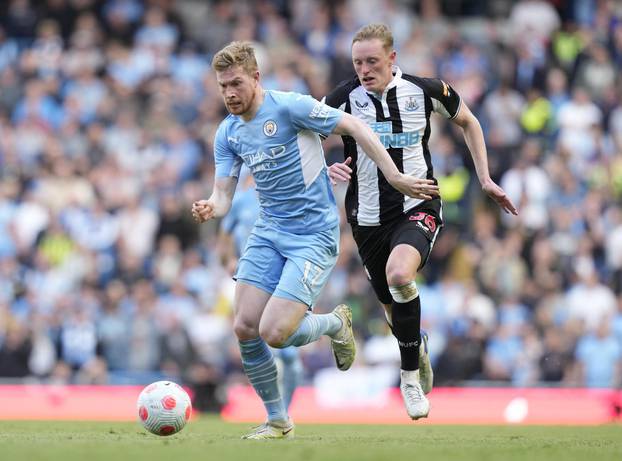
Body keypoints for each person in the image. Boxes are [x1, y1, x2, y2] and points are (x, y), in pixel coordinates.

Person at [192, 40, 438, 439]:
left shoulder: (291, 107)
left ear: (256, 77)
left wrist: (394, 176)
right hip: (268, 232)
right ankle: (277, 421)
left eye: (236, 83)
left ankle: (334, 324)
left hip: (312, 235)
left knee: (275, 332)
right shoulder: (228, 132)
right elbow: (223, 195)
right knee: (244, 326)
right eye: (222, 87)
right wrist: (210, 206)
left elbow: (355, 126)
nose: (230, 94)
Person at [325, 24, 518, 420]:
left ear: (392, 58)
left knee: (400, 276)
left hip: (419, 204)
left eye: (372, 61)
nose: (364, 69)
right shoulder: (344, 98)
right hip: (367, 218)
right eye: (358, 62)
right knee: (394, 311)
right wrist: (325, 168)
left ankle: (409, 379)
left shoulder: (424, 90)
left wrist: (484, 178)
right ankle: (418, 345)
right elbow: (304, 132)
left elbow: (469, 121)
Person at [218, 170, 303, 410]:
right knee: (250, 333)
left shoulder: (285, 200)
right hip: (251, 278)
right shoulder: (241, 202)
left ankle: (283, 410)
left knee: (287, 350)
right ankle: (275, 411)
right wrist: (228, 260)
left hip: (282, 277)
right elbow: (224, 238)